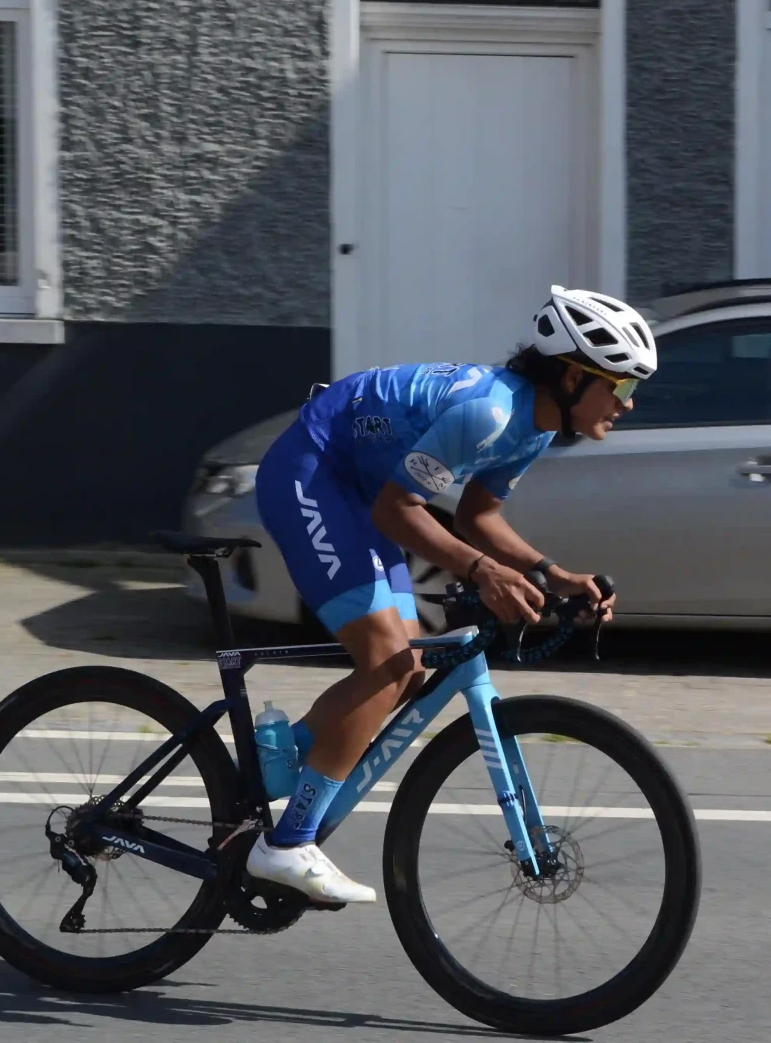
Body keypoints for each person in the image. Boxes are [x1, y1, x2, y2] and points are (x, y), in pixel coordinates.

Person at [246, 285, 657, 903]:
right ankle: (285, 845)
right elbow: (398, 509)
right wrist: (485, 573)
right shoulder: (488, 413)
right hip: (313, 471)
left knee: (408, 671)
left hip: (359, 487)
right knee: (390, 659)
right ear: (574, 376)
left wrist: (553, 571)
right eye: (620, 385)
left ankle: (278, 758)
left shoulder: (533, 426)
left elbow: (477, 518)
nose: (627, 403)